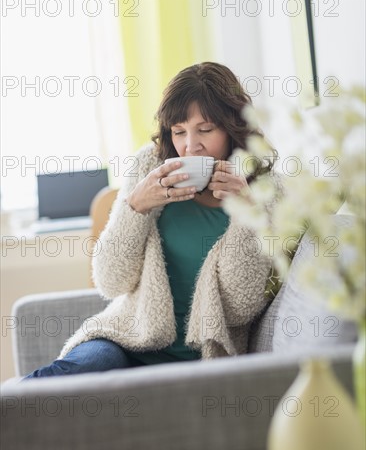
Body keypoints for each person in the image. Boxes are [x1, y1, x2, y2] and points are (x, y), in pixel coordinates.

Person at [24, 62, 277, 378]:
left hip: (205, 359)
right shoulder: (149, 165)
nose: (190, 145)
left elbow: (241, 305)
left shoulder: (264, 190)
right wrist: (135, 207)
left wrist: (247, 214)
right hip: (125, 341)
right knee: (60, 379)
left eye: (206, 129)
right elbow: (110, 281)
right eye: (179, 131)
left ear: (233, 126)